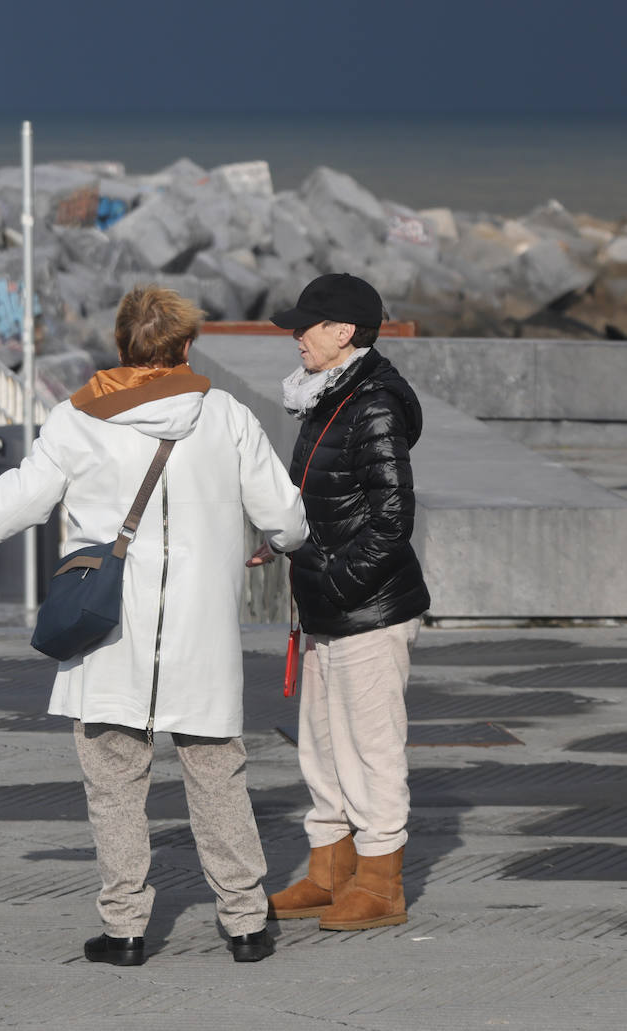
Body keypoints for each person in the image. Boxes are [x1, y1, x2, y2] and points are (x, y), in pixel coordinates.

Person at [0, 286, 308, 967]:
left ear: (121, 346)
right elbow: (286, 514)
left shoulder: (79, 418)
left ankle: (126, 927)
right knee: (218, 777)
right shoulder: (225, 416)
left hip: (110, 635)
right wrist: (273, 540)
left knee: (114, 784)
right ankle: (246, 921)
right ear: (186, 347)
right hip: (201, 641)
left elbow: (21, 497)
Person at [263, 273, 430, 932]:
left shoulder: (375, 403)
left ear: (344, 333)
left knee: (371, 747)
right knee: (322, 745)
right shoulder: (328, 395)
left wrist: (332, 583)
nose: (295, 336)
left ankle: (381, 881)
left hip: (368, 608)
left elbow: (393, 520)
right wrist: (278, 540)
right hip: (329, 606)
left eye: (306, 325)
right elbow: (317, 497)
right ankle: (330, 871)